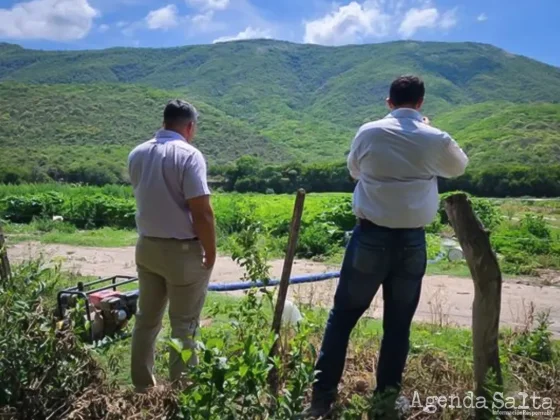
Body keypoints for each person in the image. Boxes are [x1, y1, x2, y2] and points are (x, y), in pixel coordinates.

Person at [306, 76, 468, 418]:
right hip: (412, 240)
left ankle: (321, 400)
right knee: (398, 324)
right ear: (421, 103)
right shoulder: (435, 137)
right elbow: (459, 167)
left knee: (343, 317)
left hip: (370, 236)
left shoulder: (369, 132)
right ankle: (386, 400)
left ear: (388, 102)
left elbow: (354, 170)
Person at [128, 99, 217, 393]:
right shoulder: (189, 156)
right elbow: (202, 212)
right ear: (190, 127)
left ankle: (143, 386)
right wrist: (211, 251)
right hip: (182, 252)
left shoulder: (137, 153)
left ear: (165, 121)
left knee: (146, 319)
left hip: (147, 246)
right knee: (184, 324)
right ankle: (182, 392)